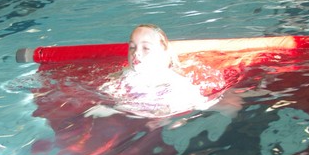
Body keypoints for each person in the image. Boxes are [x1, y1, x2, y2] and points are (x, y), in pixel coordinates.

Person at [85, 24, 213, 118]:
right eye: (132, 47)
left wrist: (115, 110)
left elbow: (172, 110)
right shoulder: (125, 75)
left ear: (162, 52)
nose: (136, 53)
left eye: (145, 48)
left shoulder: (176, 84)